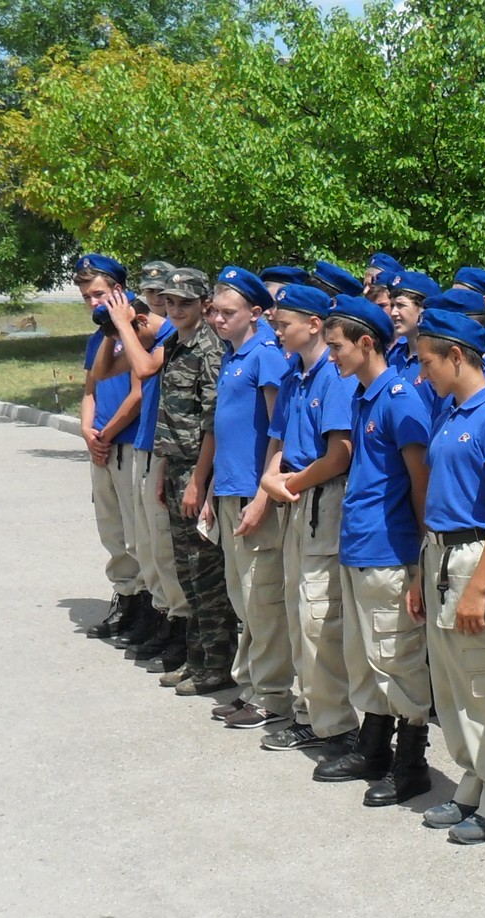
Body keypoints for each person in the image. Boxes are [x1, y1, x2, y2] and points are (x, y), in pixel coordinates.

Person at [408, 307, 485, 843]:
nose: (421, 374)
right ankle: (474, 780)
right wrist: (419, 571)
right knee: (455, 684)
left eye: (427, 362)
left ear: (457, 356)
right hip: (439, 555)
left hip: (474, 558)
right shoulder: (452, 413)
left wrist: (480, 584)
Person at [309, 294, 437, 806]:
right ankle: (374, 746)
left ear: (367, 343)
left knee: (398, 658)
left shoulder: (400, 397)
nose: (331, 355)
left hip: (389, 550)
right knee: (366, 656)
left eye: (337, 346)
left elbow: (420, 481)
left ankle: (412, 762)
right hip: (359, 545)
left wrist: (421, 558)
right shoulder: (365, 395)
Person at [257, 284, 360, 749]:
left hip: (321, 499)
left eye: (283, 324)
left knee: (320, 615)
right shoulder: (295, 374)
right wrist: (270, 479)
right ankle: (309, 710)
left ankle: (334, 724)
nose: (276, 331)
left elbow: (339, 455)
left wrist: (288, 485)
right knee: (298, 609)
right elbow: (278, 441)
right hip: (295, 497)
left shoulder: (334, 378)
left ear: (314, 325)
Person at [205, 267, 297, 728]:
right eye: (215, 312)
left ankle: (274, 695)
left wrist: (264, 494)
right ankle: (253, 686)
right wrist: (208, 492)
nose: (218, 319)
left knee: (262, 598)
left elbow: (277, 433)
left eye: (228, 312)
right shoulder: (232, 356)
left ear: (256, 314)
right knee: (242, 599)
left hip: (253, 494)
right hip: (228, 490)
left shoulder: (266, 357)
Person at [148, 268, 233, 695]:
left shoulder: (209, 349)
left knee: (205, 573)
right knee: (186, 572)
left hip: (201, 471)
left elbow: (212, 423)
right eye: (170, 302)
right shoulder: (173, 344)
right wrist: (165, 471)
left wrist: (199, 481)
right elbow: (169, 419)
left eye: (185, 302)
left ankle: (216, 665)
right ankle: (196, 658)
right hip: (177, 466)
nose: (176, 309)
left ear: (204, 305)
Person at [93, 272, 181, 665]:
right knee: (144, 545)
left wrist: (127, 325)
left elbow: (143, 370)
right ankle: (162, 619)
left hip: (159, 450)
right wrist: (111, 332)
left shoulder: (169, 339)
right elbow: (102, 373)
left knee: (163, 548)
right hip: (147, 448)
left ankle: (177, 628)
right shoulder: (134, 335)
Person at [73, 255, 149, 642]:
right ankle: (125, 597)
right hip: (102, 444)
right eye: (86, 296)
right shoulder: (99, 335)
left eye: (98, 294)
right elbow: (90, 389)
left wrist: (106, 432)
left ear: (119, 290)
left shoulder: (137, 326)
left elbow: (139, 391)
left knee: (139, 534)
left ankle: (150, 609)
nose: (92, 302)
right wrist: (88, 430)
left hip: (130, 442)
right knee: (112, 529)